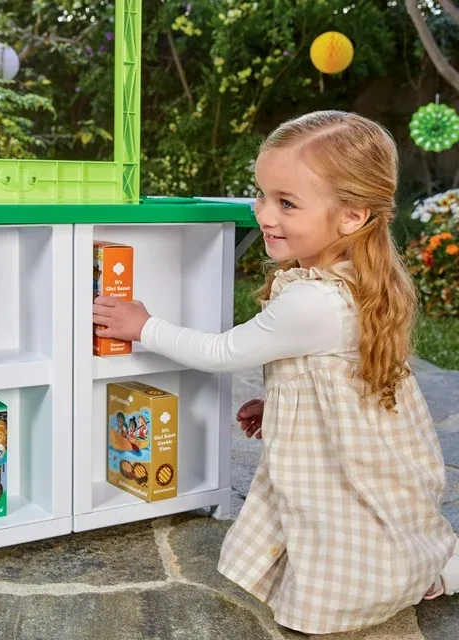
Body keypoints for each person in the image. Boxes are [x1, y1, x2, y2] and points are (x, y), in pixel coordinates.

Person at [92, 110, 459, 635]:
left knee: (343, 525)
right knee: (367, 522)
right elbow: (334, 377)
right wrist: (284, 405)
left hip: (345, 458)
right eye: (261, 193)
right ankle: (428, 567)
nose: (264, 213)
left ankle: (388, 587)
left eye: (286, 202)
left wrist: (143, 325)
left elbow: (222, 351)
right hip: (357, 440)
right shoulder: (351, 275)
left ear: (352, 216)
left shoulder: (312, 300)